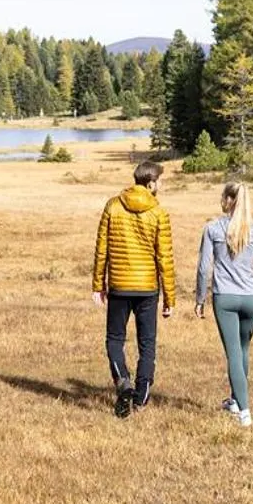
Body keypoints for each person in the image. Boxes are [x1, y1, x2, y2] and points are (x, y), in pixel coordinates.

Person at [92, 159, 177, 418]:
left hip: (119, 285)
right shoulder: (159, 212)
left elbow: (102, 248)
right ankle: (141, 395)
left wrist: (99, 284)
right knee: (147, 344)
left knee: (115, 339)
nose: (161, 185)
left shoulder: (113, 205)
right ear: (150, 183)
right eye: (160, 181)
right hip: (148, 288)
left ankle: (122, 380)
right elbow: (165, 257)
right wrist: (169, 298)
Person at [194, 181, 253, 428]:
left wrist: (199, 298)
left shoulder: (213, 229)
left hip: (224, 298)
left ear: (228, 200)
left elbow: (204, 267)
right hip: (250, 298)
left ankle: (244, 411)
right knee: (242, 350)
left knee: (234, 353)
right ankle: (236, 401)